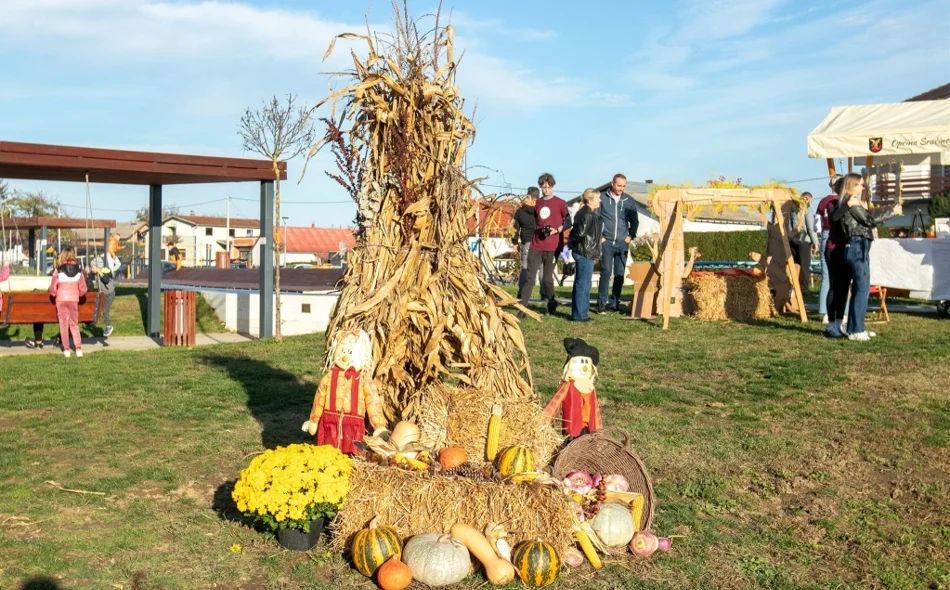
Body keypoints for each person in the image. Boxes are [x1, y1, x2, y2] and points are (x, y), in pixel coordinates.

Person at [833, 173, 902, 341]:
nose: (863, 187)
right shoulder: (852, 203)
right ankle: (856, 330)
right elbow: (869, 220)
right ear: (852, 185)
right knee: (862, 289)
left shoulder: (850, 202)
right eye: (861, 185)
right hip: (857, 247)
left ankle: (856, 328)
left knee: (860, 288)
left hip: (858, 246)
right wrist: (891, 212)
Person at [518, 173, 571, 318]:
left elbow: (568, 222)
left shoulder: (560, 203)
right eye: (543, 187)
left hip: (553, 246)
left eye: (548, 187)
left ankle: (552, 301)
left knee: (546, 279)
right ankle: (523, 309)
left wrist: (557, 230)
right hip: (537, 244)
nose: (546, 189)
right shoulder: (537, 203)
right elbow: (533, 219)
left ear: (552, 186)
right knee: (530, 277)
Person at [597, 174, 639, 314]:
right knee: (606, 272)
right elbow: (595, 219)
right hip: (607, 242)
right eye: (619, 185)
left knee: (619, 274)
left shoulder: (629, 200)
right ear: (612, 183)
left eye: (623, 186)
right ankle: (602, 303)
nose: (621, 189)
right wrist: (600, 237)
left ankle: (615, 302)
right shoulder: (602, 198)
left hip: (622, 242)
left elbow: (634, 220)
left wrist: (630, 236)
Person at [568, 189, 603, 321]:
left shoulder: (583, 213)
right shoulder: (587, 214)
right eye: (597, 198)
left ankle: (580, 313)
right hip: (585, 252)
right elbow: (580, 234)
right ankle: (580, 315)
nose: (599, 201)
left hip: (584, 251)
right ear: (590, 200)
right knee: (583, 284)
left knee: (582, 283)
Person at [48, 247, 88, 357]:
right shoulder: (79, 271)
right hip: (73, 300)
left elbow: (52, 289)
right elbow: (83, 289)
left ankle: (66, 349)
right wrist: (77, 294)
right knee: (74, 324)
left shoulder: (58, 271)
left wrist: (55, 293)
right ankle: (78, 349)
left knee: (63, 325)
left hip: (61, 299)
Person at [788, 192, 819, 295]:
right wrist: (816, 242)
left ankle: (793, 288)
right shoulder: (807, 209)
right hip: (804, 241)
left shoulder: (792, 209)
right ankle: (804, 289)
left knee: (794, 265)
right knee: (804, 266)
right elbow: (811, 228)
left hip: (792, 240)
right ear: (808, 199)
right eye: (810, 200)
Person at [512, 187, 539, 299]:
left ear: (528, 196)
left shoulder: (520, 211)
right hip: (539, 242)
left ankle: (522, 293)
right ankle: (544, 294)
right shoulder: (540, 210)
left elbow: (515, 228)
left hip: (526, 242)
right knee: (540, 269)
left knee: (525, 268)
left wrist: (515, 243)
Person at [89, 248, 122, 337]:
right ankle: (93, 321)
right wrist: (87, 272)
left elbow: (106, 280)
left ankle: (108, 326)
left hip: (110, 294)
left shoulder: (105, 272)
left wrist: (100, 272)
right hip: (103, 294)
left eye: (92, 267)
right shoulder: (95, 273)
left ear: (97, 267)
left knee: (105, 310)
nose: (91, 268)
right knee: (97, 306)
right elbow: (90, 276)